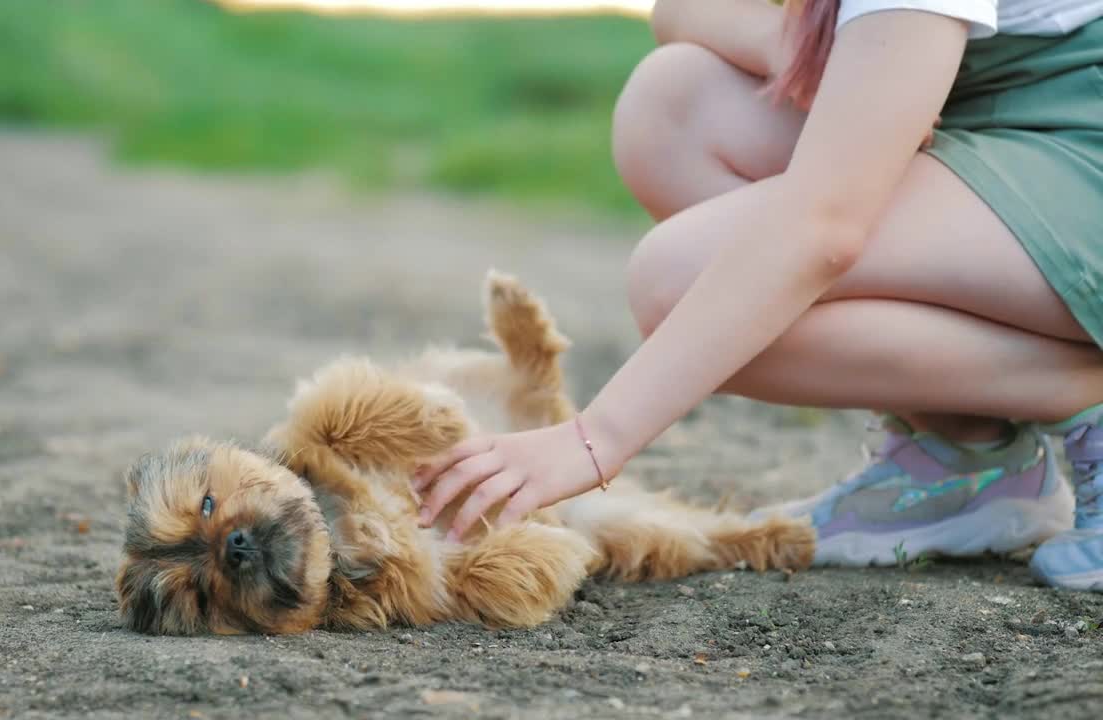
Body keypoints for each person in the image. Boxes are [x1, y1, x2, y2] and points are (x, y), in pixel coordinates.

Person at [412, 0, 1103, 591]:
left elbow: (826, 227)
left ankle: (1079, 389)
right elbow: (683, 9)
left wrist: (597, 440)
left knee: (679, 281)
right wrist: (815, 54)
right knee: (672, 108)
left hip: (1080, 146)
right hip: (999, 127)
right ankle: (965, 459)